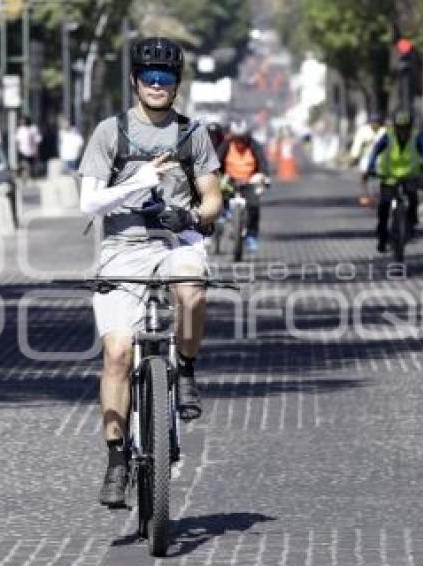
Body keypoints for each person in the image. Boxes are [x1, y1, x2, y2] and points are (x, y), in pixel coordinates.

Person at [76, 36, 222, 508]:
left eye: (167, 79)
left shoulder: (192, 133)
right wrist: (136, 183)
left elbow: (213, 196)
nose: (158, 85)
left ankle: (186, 369)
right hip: (122, 247)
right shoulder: (110, 133)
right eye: (150, 77)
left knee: (192, 288)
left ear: (177, 84)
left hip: (175, 241)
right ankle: (116, 458)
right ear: (136, 81)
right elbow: (87, 202)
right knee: (117, 353)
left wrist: (195, 218)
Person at [366, 110, 423, 253]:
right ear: (395, 127)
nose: (403, 131)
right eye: (400, 127)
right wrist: (371, 168)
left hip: (409, 175)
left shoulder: (416, 137)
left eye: (406, 128)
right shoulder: (388, 136)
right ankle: (382, 236)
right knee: (384, 207)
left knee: (412, 199)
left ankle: (411, 226)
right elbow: (375, 151)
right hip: (389, 176)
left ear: (410, 127)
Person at [217, 119, 270, 253]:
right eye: (236, 139)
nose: (239, 142)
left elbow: (263, 164)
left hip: (249, 181)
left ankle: (251, 235)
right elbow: (216, 162)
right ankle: (223, 214)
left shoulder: (254, 146)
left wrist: (263, 177)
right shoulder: (226, 145)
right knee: (218, 194)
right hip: (230, 181)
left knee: (254, 206)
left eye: (242, 139)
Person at [349, 112, 384, 206]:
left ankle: (381, 195)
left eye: (377, 122)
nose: (375, 124)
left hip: (381, 158)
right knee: (363, 176)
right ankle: (364, 196)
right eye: (373, 122)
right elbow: (357, 144)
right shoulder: (364, 131)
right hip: (367, 157)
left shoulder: (384, 131)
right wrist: (354, 157)